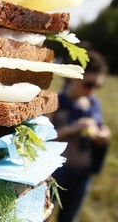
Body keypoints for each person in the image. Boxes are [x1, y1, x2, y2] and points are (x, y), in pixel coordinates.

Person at [49, 49, 111, 222]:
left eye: (97, 86)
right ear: (73, 77)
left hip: (83, 175)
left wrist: (103, 135)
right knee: (41, 215)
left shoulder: (93, 104)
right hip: (56, 174)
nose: (92, 91)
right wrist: (71, 129)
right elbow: (44, 139)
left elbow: (100, 128)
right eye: (89, 84)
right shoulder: (56, 102)